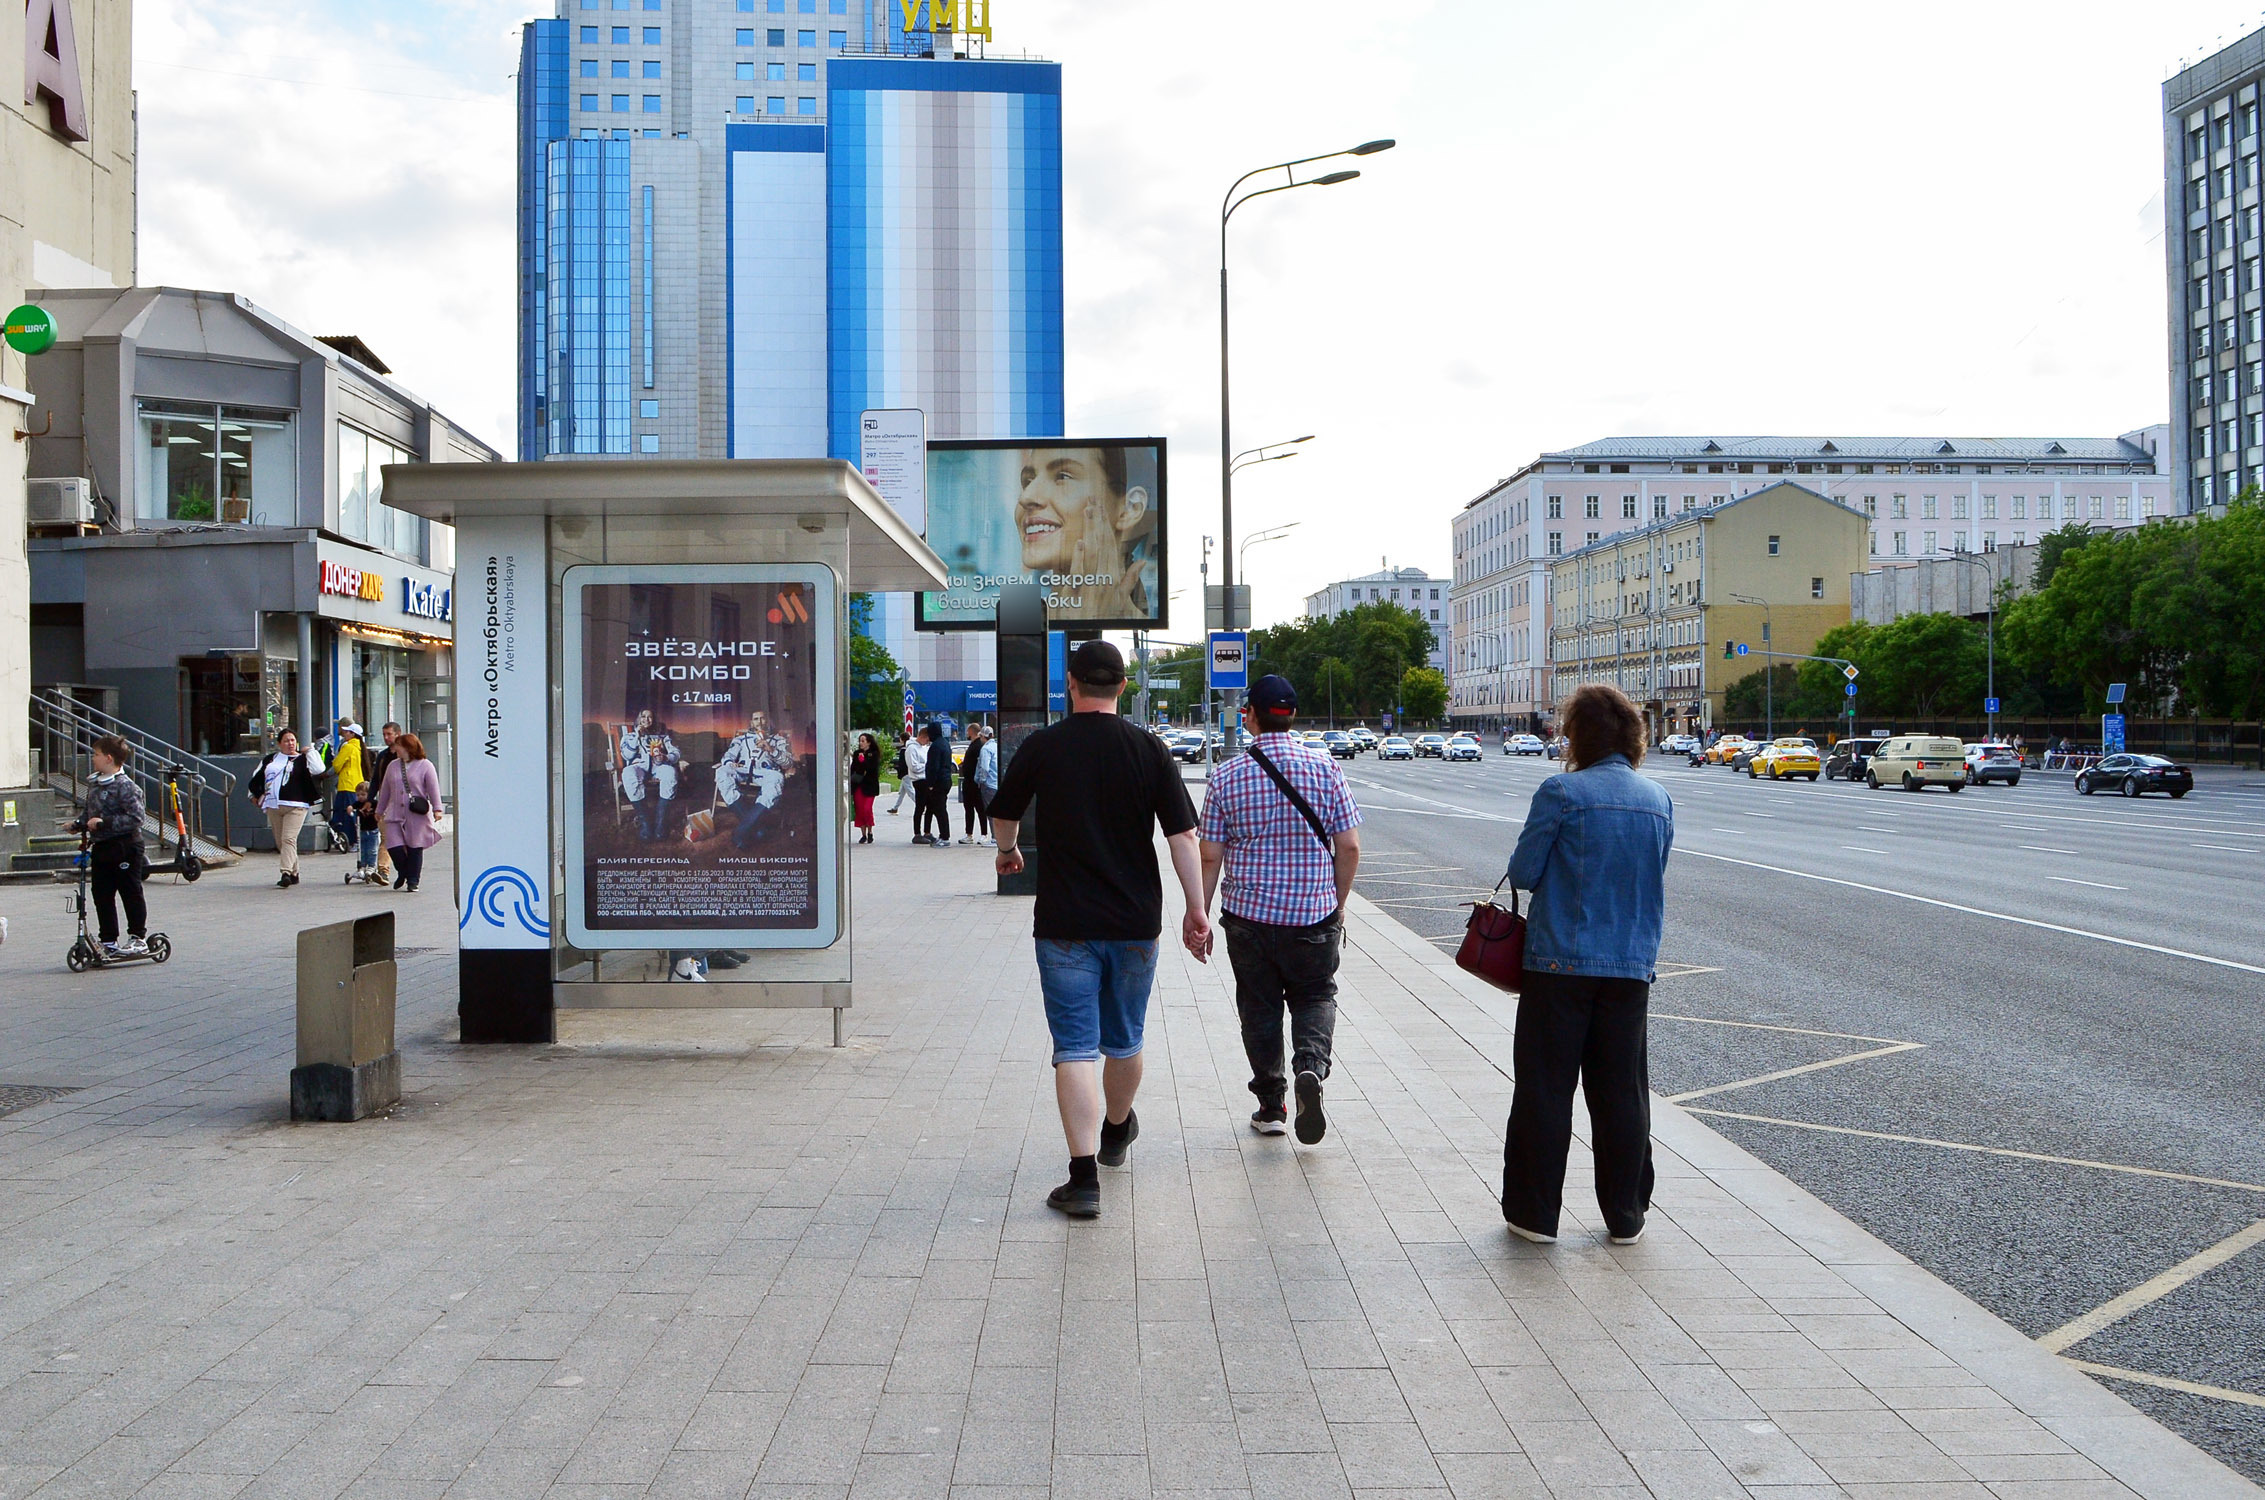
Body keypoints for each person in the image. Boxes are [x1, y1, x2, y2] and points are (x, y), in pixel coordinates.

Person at [987, 640, 1209, 1219]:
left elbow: (1003, 812)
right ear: (1124, 686)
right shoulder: (1149, 748)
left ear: (1071, 683)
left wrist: (1008, 852)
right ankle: (1116, 1131)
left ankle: (1083, 1180)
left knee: (1075, 1049)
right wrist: (1196, 908)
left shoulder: (1042, 746)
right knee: (1126, 1038)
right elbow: (1183, 836)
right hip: (1136, 923)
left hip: (1063, 923)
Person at [1499, 683, 1674, 1247]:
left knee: (1546, 1089)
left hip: (1559, 965)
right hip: (1629, 966)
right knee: (1621, 1092)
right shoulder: (1657, 800)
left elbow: (1524, 873)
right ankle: (1626, 1215)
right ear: (1633, 735)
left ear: (1576, 735)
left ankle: (1534, 1216)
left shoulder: (1561, 792)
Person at [1197, 675, 1362, 1144]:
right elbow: (1348, 846)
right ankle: (1310, 1068)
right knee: (1315, 996)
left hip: (1249, 919)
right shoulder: (1325, 768)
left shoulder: (1227, 776)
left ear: (1249, 715)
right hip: (1313, 915)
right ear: (1292, 715)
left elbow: (1210, 854)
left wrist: (1200, 915)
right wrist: (1338, 903)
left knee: (1259, 1007)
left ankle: (1271, 1106)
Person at [1013, 447, 1155, 620]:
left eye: (1062, 476)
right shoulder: (1015, 603)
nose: (1025, 497)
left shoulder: (1144, 620)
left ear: (1129, 509)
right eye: (1027, 481)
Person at [74, 735, 148, 958]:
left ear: (108, 758)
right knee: (102, 894)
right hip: (102, 847)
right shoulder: (95, 784)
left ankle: (138, 937)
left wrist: (104, 823)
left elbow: (136, 818)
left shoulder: (126, 787)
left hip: (126, 846)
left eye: (96, 755)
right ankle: (108, 939)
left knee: (130, 891)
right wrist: (78, 824)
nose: (93, 758)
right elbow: (90, 812)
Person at [247, 729, 325, 888]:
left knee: (288, 838)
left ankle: (286, 872)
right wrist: (253, 795)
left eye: (292, 740)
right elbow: (257, 777)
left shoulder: (302, 759)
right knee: (281, 842)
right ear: (279, 744)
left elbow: (319, 769)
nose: (290, 744)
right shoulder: (271, 759)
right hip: (273, 804)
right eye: (286, 741)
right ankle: (295, 873)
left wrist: (310, 751)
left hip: (297, 805)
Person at [717, 708, 796, 851]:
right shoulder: (741, 738)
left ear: (768, 721)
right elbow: (728, 756)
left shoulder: (778, 740)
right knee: (722, 771)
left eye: (763, 718)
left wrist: (771, 750)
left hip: (766, 772)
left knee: (777, 778)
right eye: (756, 719)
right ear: (751, 723)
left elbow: (788, 763)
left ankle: (741, 832)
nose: (759, 722)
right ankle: (757, 828)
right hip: (743, 769)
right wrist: (730, 763)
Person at [376, 731, 443, 893]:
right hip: (394, 813)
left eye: (398, 746)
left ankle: (413, 881)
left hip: (416, 813)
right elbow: (385, 789)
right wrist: (379, 809)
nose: (395, 749)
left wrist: (437, 808)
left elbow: (433, 788)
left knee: (415, 847)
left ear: (407, 747)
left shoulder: (425, 765)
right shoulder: (393, 766)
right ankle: (404, 872)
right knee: (394, 846)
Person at [618, 709, 683, 841]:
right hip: (638, 766)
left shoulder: (661, 735)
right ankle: (646, 823)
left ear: (654, 720)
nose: (646, 720)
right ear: (639, 719)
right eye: (643, 717)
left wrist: (665, 757)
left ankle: (660, 824)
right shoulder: (630, 736)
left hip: (657, 765)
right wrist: (637, 736)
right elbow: (627, 755)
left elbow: (676, 752)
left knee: (670, 773)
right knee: (628, 774)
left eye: (650, 717)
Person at [368, 722, 402, 884]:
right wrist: (370, 800)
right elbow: (375, 780)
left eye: (389, 734)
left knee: (405, 840)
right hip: (385, 801)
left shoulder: (407, 755)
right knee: (386, 837)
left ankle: (407, 871)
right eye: (384, 735)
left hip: (404, 803)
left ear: (398, 734)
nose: (386, 738)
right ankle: (383, 871)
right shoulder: (383, 756)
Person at [327, 719, 366, 849]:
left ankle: (352, 840)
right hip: (356, 782)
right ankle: (353, 840)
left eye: (347, 732)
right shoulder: (359, 747)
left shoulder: (348, 747)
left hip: (346, 783)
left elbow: (337, 764)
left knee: (346, 812)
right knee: (352, 812)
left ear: (352, 734)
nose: (345, 733)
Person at [917, 722, 954, 848]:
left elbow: (933, 767)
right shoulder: (944, 743)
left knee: (940, 810)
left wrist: (931, 783)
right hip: (946, 779)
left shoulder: (935, 746)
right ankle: (944, 835)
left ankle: (945, 837)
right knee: (940, 809)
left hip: (938, 782)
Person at [958, 726, 995, 844]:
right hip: (970, 782)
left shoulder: (981, 746)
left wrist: (981, 780)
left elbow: (983, 766)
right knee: (969, 809)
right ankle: (969, 833)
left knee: (980, 809)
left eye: (968, 731)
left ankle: (984, 834)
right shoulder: (975, 745)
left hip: (976, 783)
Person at [850, 733, 881, 844]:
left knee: (867, 808)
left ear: (869, 742)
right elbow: (853, 768)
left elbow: (872, 769)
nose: (861, 743)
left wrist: (864, 761)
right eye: (860, 741)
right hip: (858, 785)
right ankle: (863, 834)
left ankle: (870, 831)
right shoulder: (857, 753)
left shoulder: (874, 754)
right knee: (860, 810)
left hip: (869, 786)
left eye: (863, 741)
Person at [971, 725, 999, 846]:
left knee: (991, 812)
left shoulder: (985, 749)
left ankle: (995, 837)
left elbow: (984, 767)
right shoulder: (996, 746)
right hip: (996, 782)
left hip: (988, 784)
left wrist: (981, 780)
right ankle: (997, 836)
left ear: (983, 736)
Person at [352, 780, 384, 883]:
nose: (360, 797)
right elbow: (352, 806)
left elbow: (380, 808)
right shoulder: (358, 804)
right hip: (361, 830)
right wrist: (350, 808)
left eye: (363, 794)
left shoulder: (373, 803)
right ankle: (362, 865)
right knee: (362, 849)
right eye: (358, 795)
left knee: (372, 849)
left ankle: (371, 866)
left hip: (372, 830)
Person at [888, 733, 919, 818]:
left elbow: (901, 764)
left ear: (902, 739)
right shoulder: (911, 748)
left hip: (905, 774)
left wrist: (899, 771)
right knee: (902, 792)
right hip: (909, 772)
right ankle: (895, 808)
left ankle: (921, 805)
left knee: (910, 792)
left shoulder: (903, 750)